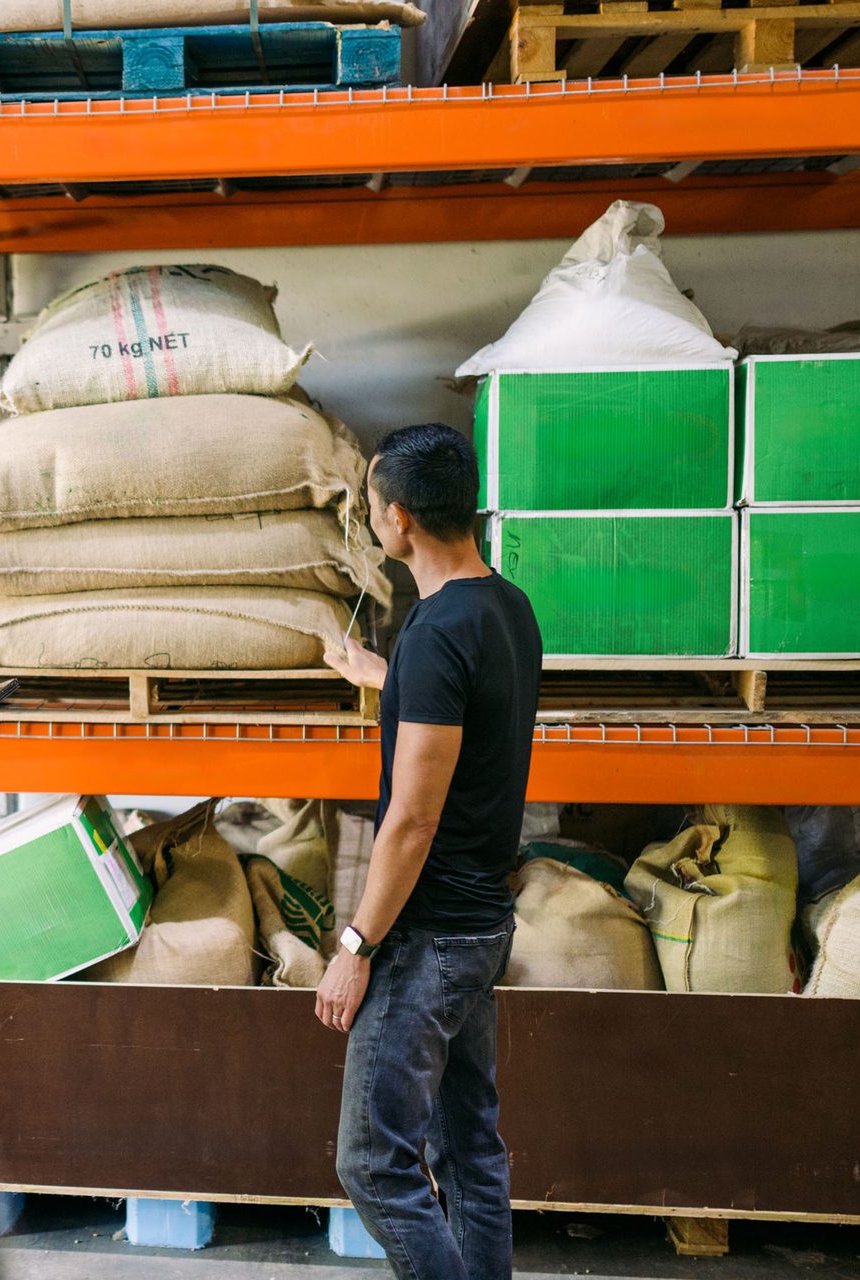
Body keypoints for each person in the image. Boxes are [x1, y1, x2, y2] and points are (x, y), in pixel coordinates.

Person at [318, 423, 543, 1280]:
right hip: (483, 926)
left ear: (399, 519)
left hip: (427, 939)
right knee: (469, 1153)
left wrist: (355, 947)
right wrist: (383, 674)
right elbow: (464, 711)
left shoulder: (437, 630)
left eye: (373, 507)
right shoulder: (503, 608)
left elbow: (410, 821)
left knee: (373, 1164)